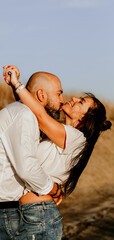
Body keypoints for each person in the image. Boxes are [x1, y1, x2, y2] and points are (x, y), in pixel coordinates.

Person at [3, 66, 112, 237]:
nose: (73, 98)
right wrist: (14, 87)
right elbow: (34, 107)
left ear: (84, 119)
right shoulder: (59, 133)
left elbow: (39, 114)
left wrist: (18, 85)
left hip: (41, 214)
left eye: (81, 102)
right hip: (27, 212)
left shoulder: (76, 139)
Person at [0, 66, 64, 240]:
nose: (62, 100)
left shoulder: (20, 112)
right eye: (59, 93)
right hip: (5, 211)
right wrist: (55, 190)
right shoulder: (24, 115)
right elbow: (27, 168)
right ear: (42, 95)